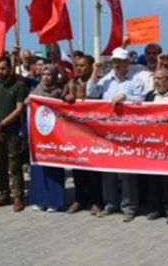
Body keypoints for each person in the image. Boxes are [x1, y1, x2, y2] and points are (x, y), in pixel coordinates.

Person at [87, 47, 145, 222]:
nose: (116, 64)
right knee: (109, 170)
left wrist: (124, 97)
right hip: (109, 132)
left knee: (127, 171)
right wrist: (95, 71)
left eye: (119, 61)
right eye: (114, 61)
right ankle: (110, 204)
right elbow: (91, 92)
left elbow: (142, 99)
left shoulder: (136, 80)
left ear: (128, 62)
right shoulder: (106, 80)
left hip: (128, 132)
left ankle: (129, 206)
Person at [0, 56, 28, 212]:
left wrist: (1, 125)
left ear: (10, 68)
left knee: (15, 165)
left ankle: (18, 197)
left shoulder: (19, 86)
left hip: (12, 133)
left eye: (3, 68)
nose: (1, 72)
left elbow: (19, 109)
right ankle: (4, 194)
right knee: (0, 164)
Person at [141, 66, 168, 224]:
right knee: (153, 180)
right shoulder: (150, 96)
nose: (157, 82)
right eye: (155, 79)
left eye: (161, 78)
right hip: (153, 144)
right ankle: (155, 208)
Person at [64, 55, 104, 216]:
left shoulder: (97, 82)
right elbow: (62, 100)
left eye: (82, 65)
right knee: (77, 168)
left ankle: (96, 201)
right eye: (77, 65)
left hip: (94, 132)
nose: (79, 68)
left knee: (93, 169)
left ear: (90, 66)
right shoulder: (71, 82)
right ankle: (79, 199)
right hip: (75, 132)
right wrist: (66, 97)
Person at [29, 64, 67, 212]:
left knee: (54, 167)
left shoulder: (59, 93)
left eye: (49, 74)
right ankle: (40, 200)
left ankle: (54, 201)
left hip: (54, 137)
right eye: (44, 74)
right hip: (38, 137)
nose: (46, 77)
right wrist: (28, 103)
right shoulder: (35, 92)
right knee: (39, 169)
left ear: (54, 76)